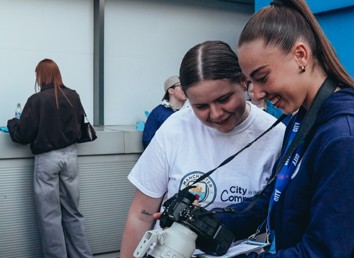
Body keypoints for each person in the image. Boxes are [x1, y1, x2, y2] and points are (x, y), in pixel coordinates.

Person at [209, 0, 354, 256]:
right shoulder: (303, 118)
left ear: (300, 55)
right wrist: (204, 225)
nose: (257, 93)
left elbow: (322, 252)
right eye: (250, 82)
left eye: (262, 77)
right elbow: (274, 196)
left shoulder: (348, 138)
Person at [119, 40, 286, 257]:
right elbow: (141, 215)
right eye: (201, 106)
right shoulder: (174, 128)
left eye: (224, 99)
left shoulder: (274, 135)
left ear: (243, 82)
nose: (216, 114)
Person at [7, 59, 93, 258]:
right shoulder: (73, 96)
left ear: (40, 76)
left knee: (49, 216)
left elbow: (22, 135)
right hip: (71, 158)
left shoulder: (37, 100)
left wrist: (13, 122)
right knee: (73, 212)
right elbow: (82, 126)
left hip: (47, 160)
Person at [142, 75, 187, 149]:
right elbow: (148, 141)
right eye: (181, 86)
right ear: (171, 90)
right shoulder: (158, 113)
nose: (185, 89)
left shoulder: (192, 111)